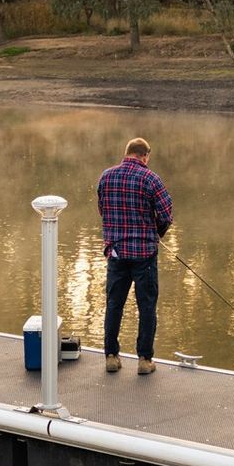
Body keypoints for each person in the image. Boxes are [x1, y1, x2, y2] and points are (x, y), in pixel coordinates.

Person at [96, 136, 173, 375]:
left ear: (126, 152)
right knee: (147, 306)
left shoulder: (106, 176)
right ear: (145, 156)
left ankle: (111, 356)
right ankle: (144, 360)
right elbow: (166, 214)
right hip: (144, 254)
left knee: (114, 305)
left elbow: (103, 210)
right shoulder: (151, 179)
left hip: (116, 253)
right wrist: (155, 234)